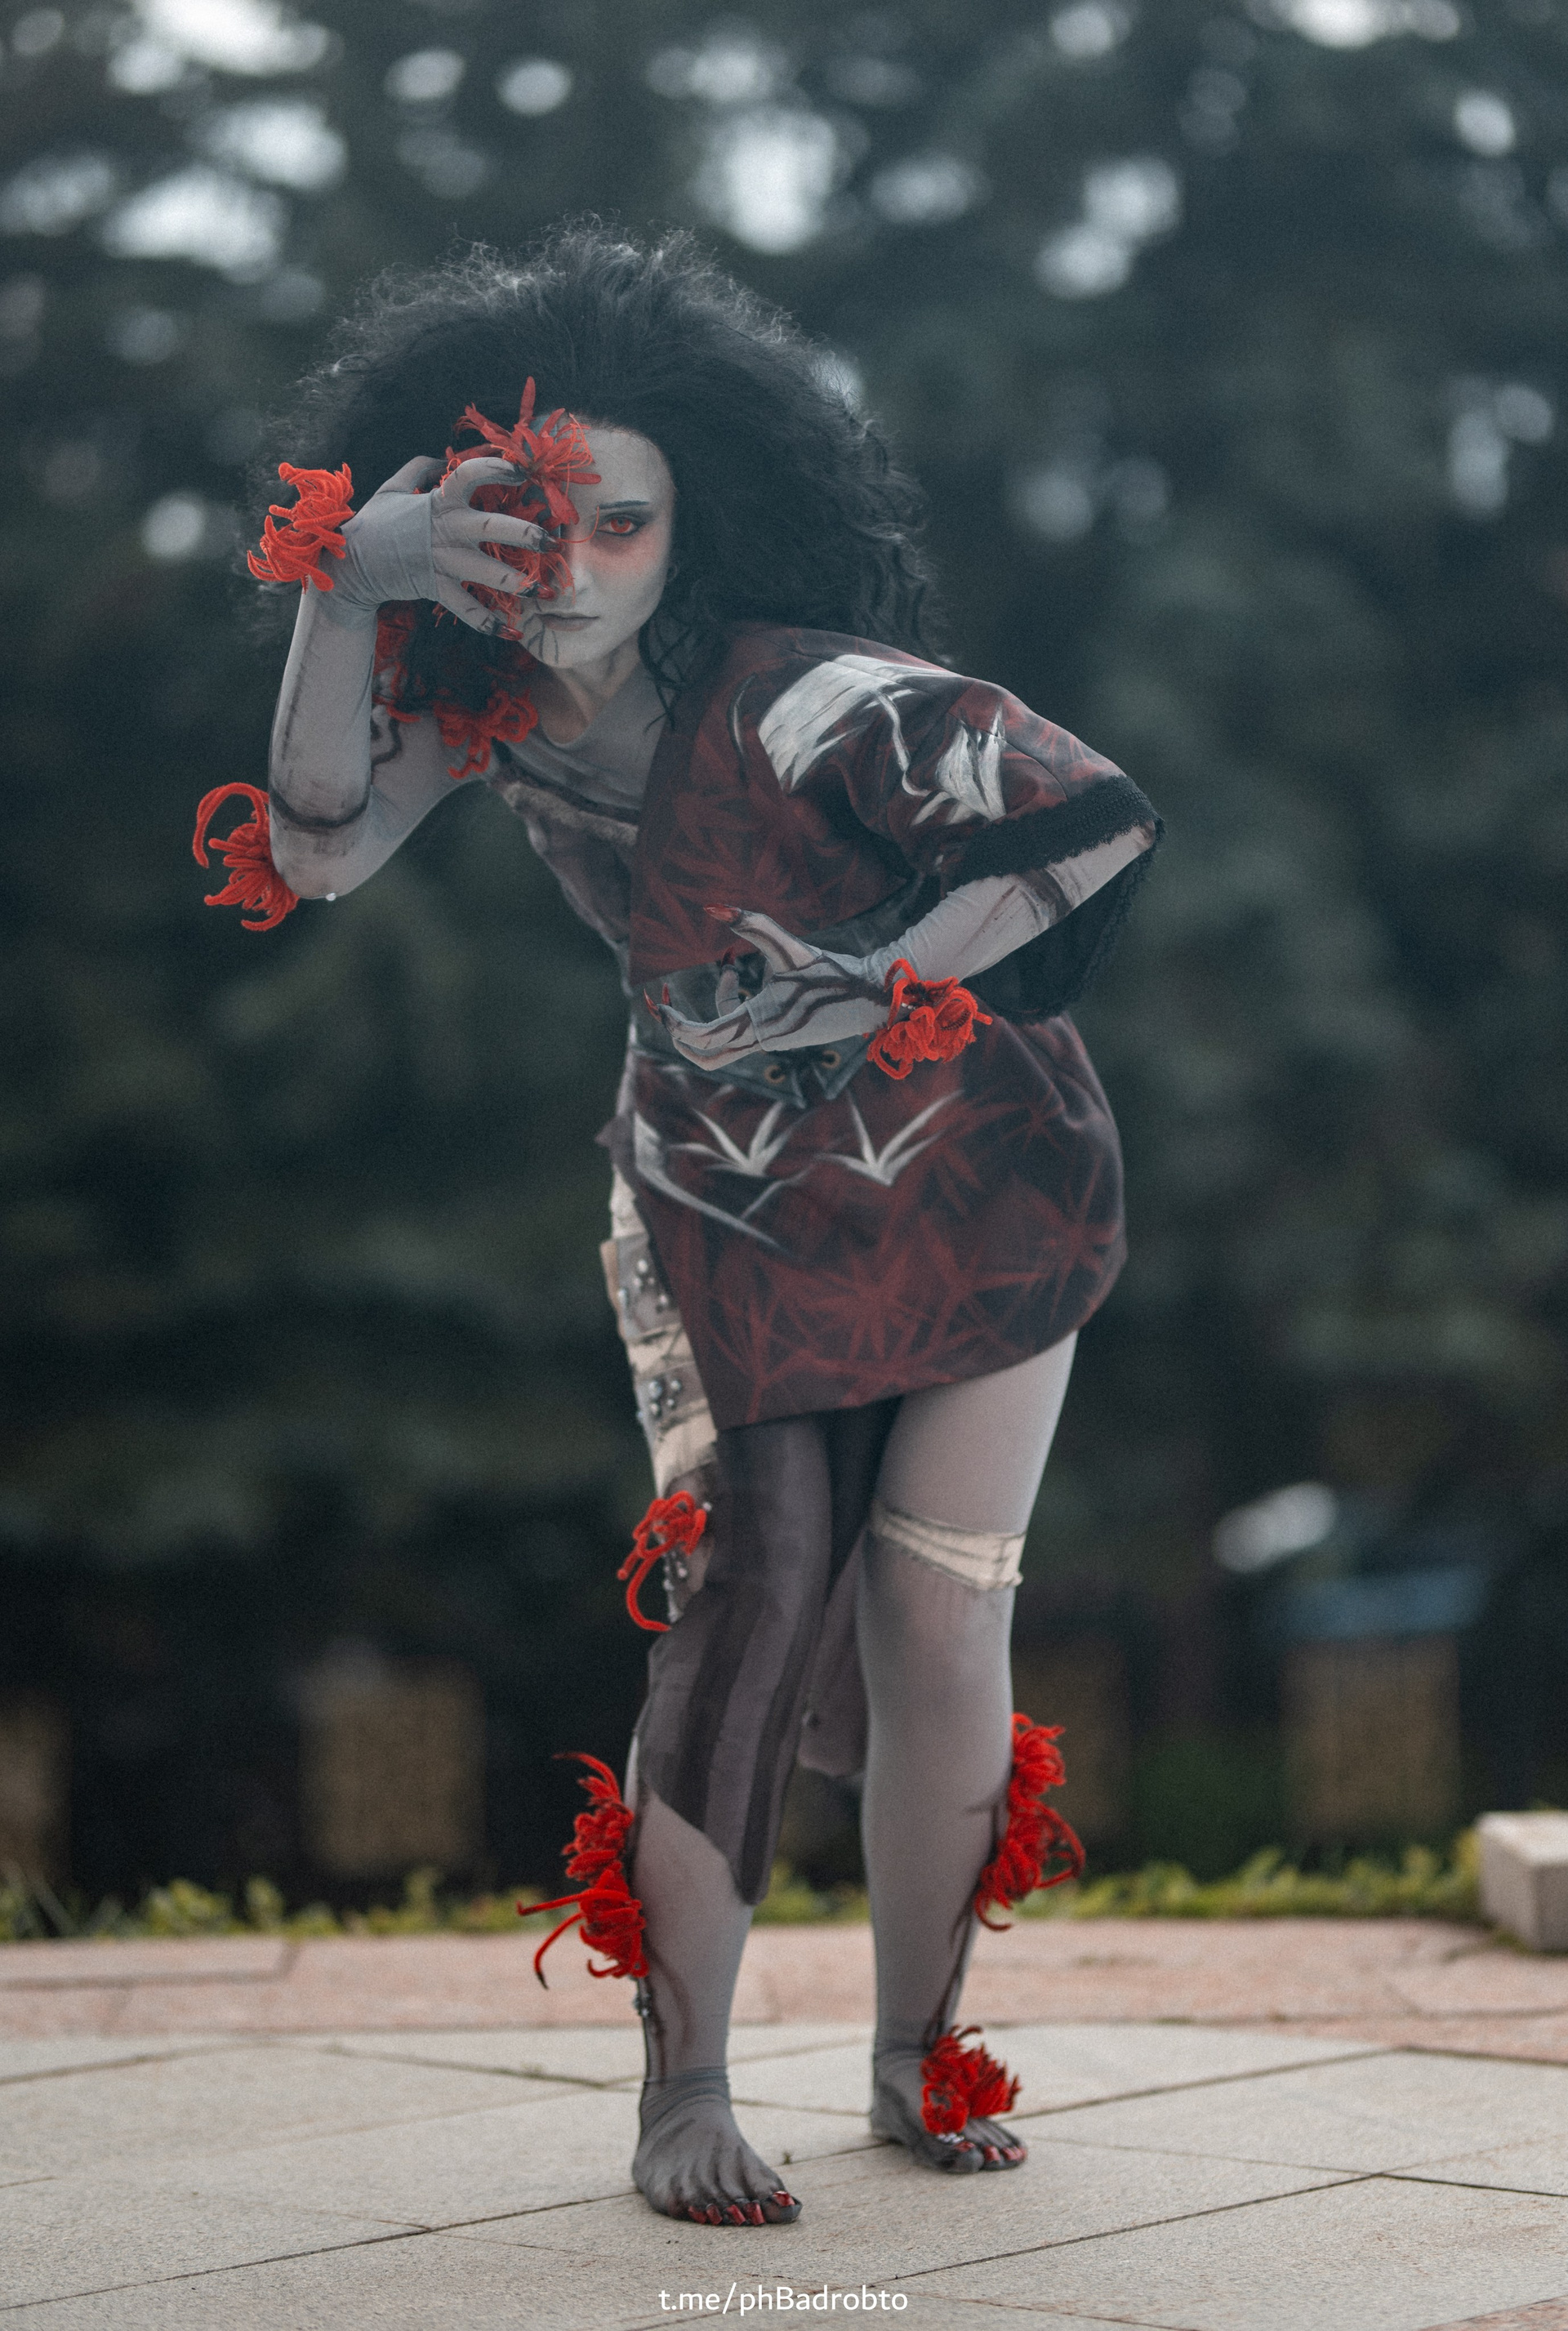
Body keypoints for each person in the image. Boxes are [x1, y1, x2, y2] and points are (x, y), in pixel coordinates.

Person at [203, 225, 1160, 2227]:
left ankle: (916, 2052)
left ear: (694, 524)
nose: (577, 564)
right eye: (536, 520)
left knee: (938, 1611)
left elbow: (1091, 819)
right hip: (722, 1187)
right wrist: (343, 581)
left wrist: (874, 969)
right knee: (754, 1581)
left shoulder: (808, 694)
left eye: (623, 520)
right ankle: (688, 2086)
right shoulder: (495, 711)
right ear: (467, 517)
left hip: (978, 1174)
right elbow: (311, 840)